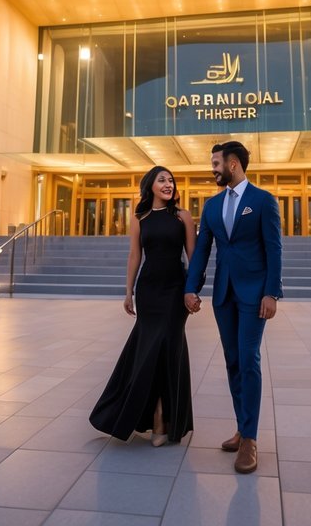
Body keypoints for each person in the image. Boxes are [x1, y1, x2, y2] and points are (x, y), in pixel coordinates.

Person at [184, 141, 283, 474]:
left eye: (216, 163)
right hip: (223, 295)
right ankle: (242, 427)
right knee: (232, 361)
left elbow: (274, 250)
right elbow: (201, 252)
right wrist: (191, 288)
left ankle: (250, 440)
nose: (212, 168)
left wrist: (272, 292)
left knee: (248, 357)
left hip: (255, 295)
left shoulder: (262, 201)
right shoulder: (212, 207)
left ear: (234, 164)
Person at [90, 166, 196, 446]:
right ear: (150, 186)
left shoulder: (182, 216)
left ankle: (163, 419)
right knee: (148, 352)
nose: (168, 184)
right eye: (162, 180)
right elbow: (135, 255)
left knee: (166, 351)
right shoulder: (139, 218)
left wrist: (192, 291)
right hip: (149, 291)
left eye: (171, 180)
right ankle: (148, 416)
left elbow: (193, 258)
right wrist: (129, 291)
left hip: (174, 292)